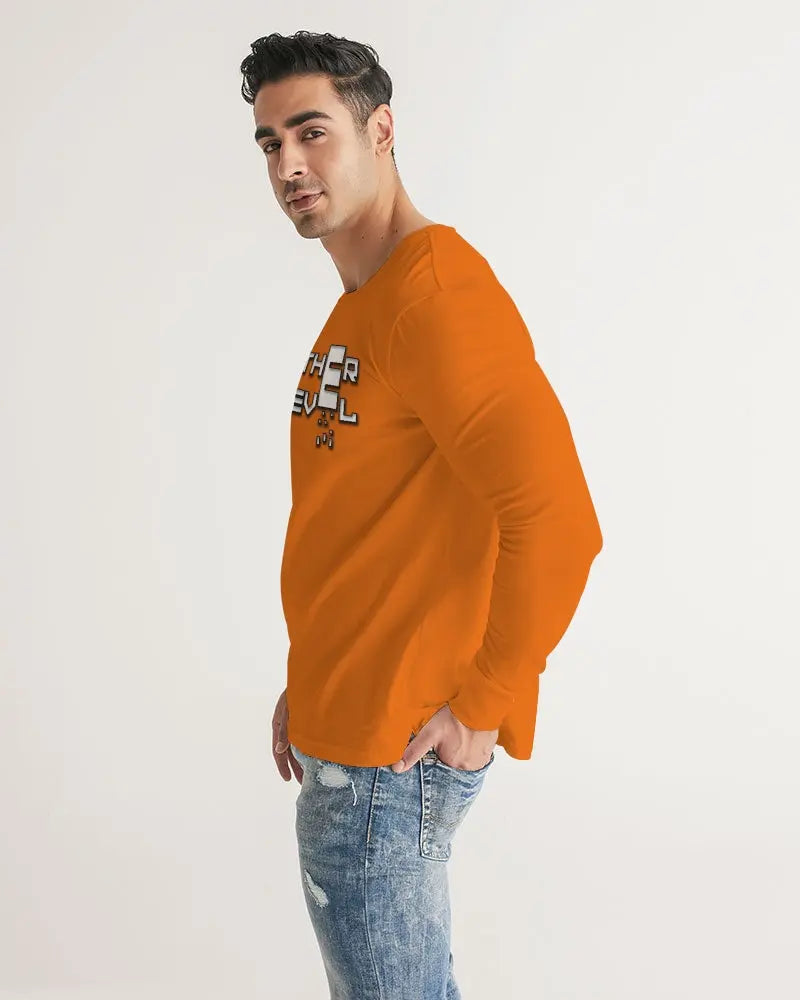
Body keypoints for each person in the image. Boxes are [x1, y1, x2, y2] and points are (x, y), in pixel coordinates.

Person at [240, 30, 603, 1000]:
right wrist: (316, 680)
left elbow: (558, 521)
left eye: (311, 131)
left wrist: (483, 700)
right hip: (349, 739)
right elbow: (365, 519)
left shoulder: (435, 297)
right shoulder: (365, 302)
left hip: (387, 764)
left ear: (381, 130)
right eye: (270, 143)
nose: (288, 164)